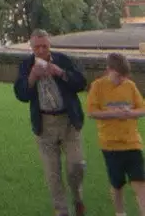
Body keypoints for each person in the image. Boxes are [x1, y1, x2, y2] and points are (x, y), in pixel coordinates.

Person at [14, 29, 89, 216]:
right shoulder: (26, 66)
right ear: (31, 48)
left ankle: (78, 198)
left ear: (50, 45)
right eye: (37, 47)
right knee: (52, 174)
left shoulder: (63, 60)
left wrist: (61, 73)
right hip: (44, 124)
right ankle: (62, 211)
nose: (41, 51)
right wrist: (32, 77)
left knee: (76, 165)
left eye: (44, 46)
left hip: (68, 122)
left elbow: (81, 83)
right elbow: (21, 94)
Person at [87, 52, 145, 214]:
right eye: (118, 76)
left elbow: (142, 108)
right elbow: (91, 112)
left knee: (140, 182)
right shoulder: (98, 86)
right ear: (109, 70)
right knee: (117, 184)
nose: (122, 80)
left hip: (132, 142)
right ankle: (120, 213)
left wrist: (130, 113)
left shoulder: (130, 86)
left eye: (124, 77)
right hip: (110, 145)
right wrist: (112, 113)